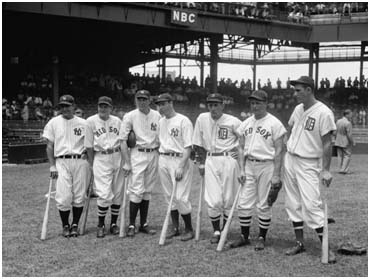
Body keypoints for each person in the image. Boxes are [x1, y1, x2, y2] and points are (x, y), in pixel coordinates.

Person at [284, 76, 336, 263]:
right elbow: (290, 128)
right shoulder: (298, 109)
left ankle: (326, 248)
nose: (295, 93)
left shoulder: (324, 112)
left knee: (312, 205)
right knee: (292, 203)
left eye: (298, 90)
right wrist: (287, 144)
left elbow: (328, 143)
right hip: (291, 158)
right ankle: (299, 243)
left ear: (308, 90)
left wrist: (326, 170)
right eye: (295, 90)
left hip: (309, 162)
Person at [230, 90, 286, 250]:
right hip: (249, 164)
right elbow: (240, 147)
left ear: (265, 103)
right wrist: (241, 169)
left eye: (258, 103)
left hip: (267, 165)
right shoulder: (245, 123)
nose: (254, 106)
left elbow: (279, 150)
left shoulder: (275, 123)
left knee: (264, 204)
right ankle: (244, 236)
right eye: (252, 103)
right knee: (244, 203)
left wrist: (276, 174)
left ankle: (262, 237)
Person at [192, 93, 242, 244]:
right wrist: (200, 163)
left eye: (216, 105)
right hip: (210, 159)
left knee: (228, 198)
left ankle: (225, 229)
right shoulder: (202, 118)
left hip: (228, 160)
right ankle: (216, 230)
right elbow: (197, 142)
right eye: (210, 105)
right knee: (213, 200)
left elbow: (246, 138)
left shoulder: (233, 121)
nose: (213, 108)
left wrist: (238, 148)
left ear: (222, 105)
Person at [42, 95, 91, 237]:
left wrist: (88, 155)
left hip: (80, 161)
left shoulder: (84, 123)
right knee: (63, 196)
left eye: (67, 106)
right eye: (62, 106)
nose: (65, 109)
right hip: (61, 161)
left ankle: (75, 224)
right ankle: (65, 225)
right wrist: (52, 166)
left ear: (73, 106)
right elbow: (49, 146)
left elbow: (90, 143)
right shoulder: (53, 122)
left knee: (80, 195)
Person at [119, 89, 161, 237]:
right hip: (137, 153)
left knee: (147, 190)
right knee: (136, 189)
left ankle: (143, 224)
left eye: (144, 99)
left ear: (149, 100)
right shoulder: (130, 116)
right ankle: (131, 224)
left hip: (153, 152)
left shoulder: (157, 115)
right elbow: (123, 140)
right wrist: (127, 162)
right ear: (135, 100)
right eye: (139, 99)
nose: (141, 101)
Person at [155, 93, 195, 241]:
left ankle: (189, 229)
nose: (160, 107)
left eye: (163, 103)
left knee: (180, 197)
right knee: (168, 195)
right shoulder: (161, 122)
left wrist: (181, 166)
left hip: (179, 159)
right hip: (163, 158)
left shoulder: (183, 121)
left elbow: (188, 146)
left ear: (171, 103)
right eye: (158, 104)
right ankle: (176, 227)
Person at [85, 96, 124, 238]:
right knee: (104, 193)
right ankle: (100, 224)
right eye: (101, 106)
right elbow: (88, 145)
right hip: (101, 157)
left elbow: (123, 141)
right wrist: (91, 162)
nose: (103, 108)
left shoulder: (117, 121)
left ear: (111, 108)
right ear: (97, 107)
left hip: (117, 155)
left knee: (117, 191)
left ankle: (113, 223)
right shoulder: (90, 121)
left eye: (106, 106)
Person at [334, 109, 355, 174]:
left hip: (338, 141)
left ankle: (340, 169)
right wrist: (352, 141)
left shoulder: (338, 121)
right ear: (347, 114)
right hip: (345, 142)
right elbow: (349, 134)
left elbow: (335, 132)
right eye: (351, 114)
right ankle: (344, 170)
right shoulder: (348, 123)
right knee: (347, 155)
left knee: (340, 156)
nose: (351, 115)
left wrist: (336, 139)